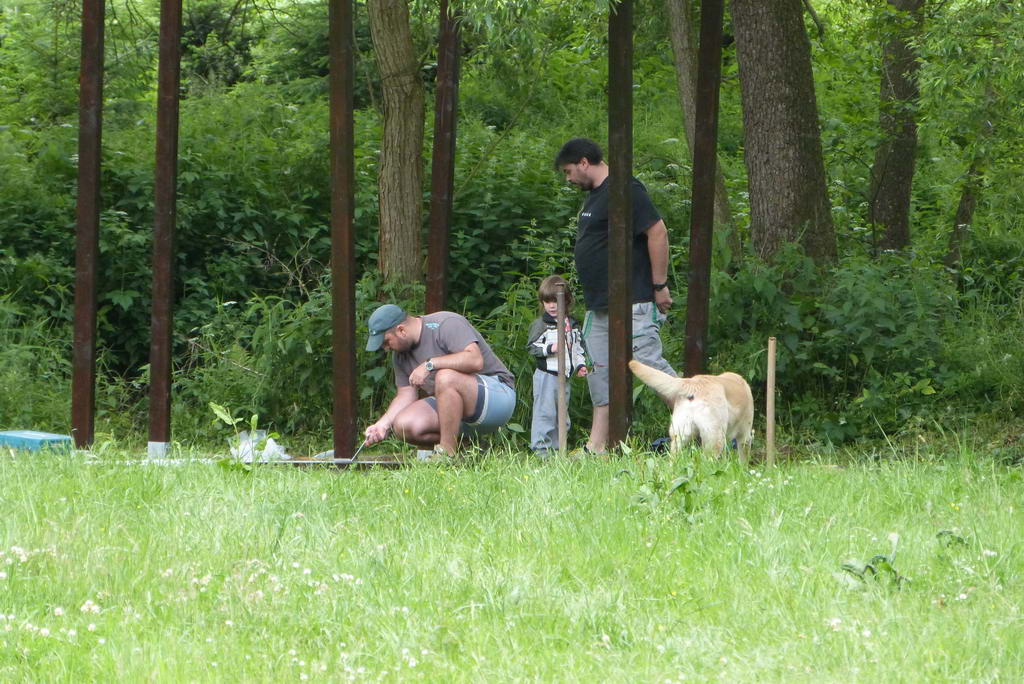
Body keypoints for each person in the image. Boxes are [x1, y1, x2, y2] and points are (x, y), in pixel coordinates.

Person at [554, 137, 677, 453]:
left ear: (584, 162)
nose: (568, 179)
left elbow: (657, 231)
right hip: (599, 306)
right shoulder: (595, 197)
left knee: (649, 365)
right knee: (598, 372)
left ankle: (701, 425)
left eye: (568, 171)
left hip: (633, 301)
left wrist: (659, 285)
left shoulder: (625, 190)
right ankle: (597, 446)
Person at [363, 304, 516, 455]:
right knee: (404, 425)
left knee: (445, 377)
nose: (386, 348)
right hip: (456, 410)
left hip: (498, 395)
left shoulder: (445, 323)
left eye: (386, 342)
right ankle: (469, 447)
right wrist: (382, 425)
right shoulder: (400, 355)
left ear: (401, 330)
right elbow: (406, 395)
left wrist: (430, 364)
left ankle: (446, 454)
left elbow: (475, 360)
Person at [525, 275, 588, 454]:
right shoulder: (541, 325)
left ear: (566, 301)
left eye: (555, 301)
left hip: (564, 376)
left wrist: (580, 365)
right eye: (547, 301)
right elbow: (531, 347)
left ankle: (558, 449)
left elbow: (577, 349)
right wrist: (550, 348)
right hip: (547, 376)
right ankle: (541, 450)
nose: (552, 306)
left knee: (562, 415)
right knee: (545, 413)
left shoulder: (572, 324)